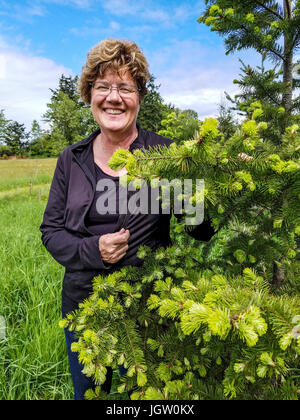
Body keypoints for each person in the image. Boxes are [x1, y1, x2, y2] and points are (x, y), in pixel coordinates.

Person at [40, 38, 214, 400]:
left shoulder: (163, 154)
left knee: (152, 399)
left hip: (149, 309)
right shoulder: (70, 160)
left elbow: (200, 230)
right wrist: (94, 250)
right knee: (91, 395)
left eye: (125, 87)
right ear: (89, 95)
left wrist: (202, 194)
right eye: (103, 86)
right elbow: (51, 231)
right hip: (85, 310)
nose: (113, 97)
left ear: (139, 97)